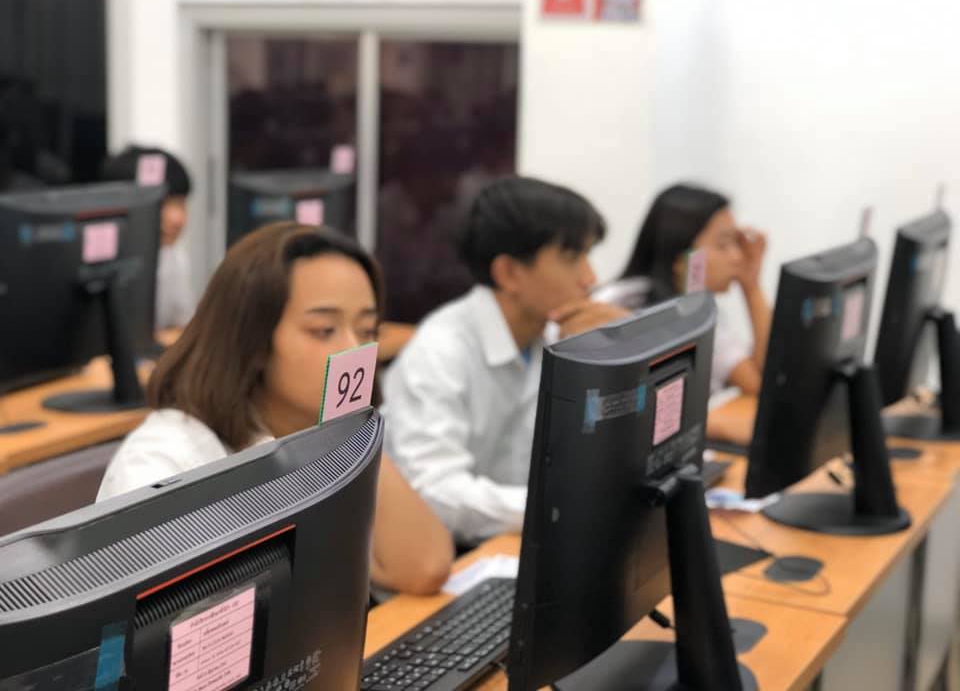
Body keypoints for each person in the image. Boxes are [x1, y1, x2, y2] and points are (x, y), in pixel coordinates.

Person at [97, 223, 454, 595]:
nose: (354, 352)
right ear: (253, 341)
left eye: (366, 331)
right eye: (324, 330)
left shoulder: (324, 435)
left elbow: (425, 567)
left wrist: (354, 426)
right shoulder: (162, 465)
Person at [382, 177, 627, 546]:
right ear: (509, 273)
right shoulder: (439, 352)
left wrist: (617, 353)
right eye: (572, 257)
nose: (590, 278)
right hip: (453, 555)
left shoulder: (553, 337)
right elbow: (435, 492)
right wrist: (562, 506)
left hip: (520, 538)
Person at [620, 183, 771, 435]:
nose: (737, 257)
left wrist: (751, 285)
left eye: (736, 243)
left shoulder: (699, 309)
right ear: (682, 256)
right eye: (723, 245)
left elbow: (759, 380)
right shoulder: (625, 306)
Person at [101, 145, 196, 330]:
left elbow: (184, 328)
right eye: (163, 205)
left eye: (181, 204)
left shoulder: (173, 258)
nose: (178, 218)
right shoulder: (102, 269)